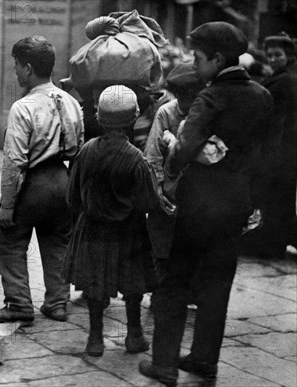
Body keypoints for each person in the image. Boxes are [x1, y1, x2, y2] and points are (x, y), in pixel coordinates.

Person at [139, 22, 273, 385]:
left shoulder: (210, 97)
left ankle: (164, 363)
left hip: (199, 207)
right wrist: (253, 201)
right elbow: (266, 158)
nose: (194, 65)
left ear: (216, 59)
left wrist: (173, 155)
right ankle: (204, 360)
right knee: (217, 285)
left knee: (175, 284)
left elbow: (182, 151)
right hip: (236, 206)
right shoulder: (262, 95)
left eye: (198, 58)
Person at [0, 36, 84, 324]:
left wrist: (7, 206)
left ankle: (18, 304)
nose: (15, 71)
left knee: (8, 238)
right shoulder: (71, 102)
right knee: (58, 242)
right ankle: (57, 303)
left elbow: (14, 162)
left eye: (16, 65)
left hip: (33, 182)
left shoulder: (24, 107)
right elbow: (79, 148)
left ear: (28, 68)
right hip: (63, 180)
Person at [64, 85, 161, 357]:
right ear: (135, 117)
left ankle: (95, 339)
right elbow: (149, 203)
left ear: (98, 115)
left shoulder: (85, 151)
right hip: (129, 231)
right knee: (133, 284)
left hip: (93, 229)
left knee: (95, 286)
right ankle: (134, 335)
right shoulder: (137, 160)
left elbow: (72, 197)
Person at [144, 62, 205, 273]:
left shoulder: (206, 112)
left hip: (197, 192)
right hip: (169, 191)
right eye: (181, 96)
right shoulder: (166, 112)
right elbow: (152, 156)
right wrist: (158, 190)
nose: (186, 102)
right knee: (160, 245)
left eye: (191, 96)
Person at [242, 33, 297, 260]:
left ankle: (274, 245)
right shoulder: (285, 76)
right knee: (279, 201)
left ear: (290, 56)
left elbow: (278, 120)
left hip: (280, 150)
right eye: (270, 55)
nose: (273, 59)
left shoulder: (285, 80)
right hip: (285, 150)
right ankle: (277, 240)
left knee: (275, 200)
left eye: (278, 55)